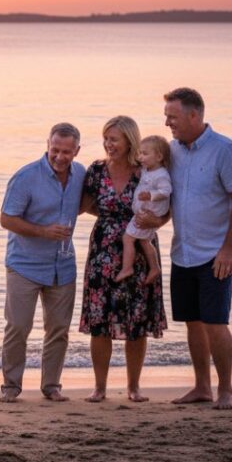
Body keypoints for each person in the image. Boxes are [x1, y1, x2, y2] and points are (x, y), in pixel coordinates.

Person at [163, 87, 232, 410]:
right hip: (182, 251)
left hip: (216, 252)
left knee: (215, 321)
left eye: (172, 117)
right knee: (193, 321)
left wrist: (229, 248)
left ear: (193, 115)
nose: (168, 123)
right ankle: (202, 386)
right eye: (166, 117)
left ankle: (225, 389)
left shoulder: (224, 150)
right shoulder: (172, 152)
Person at [79, 116, 167, 403]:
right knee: (99, 320)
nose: (108, 144)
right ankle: (100, 387)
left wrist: (154, 221)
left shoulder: (146, 171)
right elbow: (82, 205)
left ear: (130, 139)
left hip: (140, 247)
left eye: (114, 139)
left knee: (137, 320)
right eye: (106, 138)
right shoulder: (95, 170)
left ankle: (134, 387)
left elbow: (166, 206)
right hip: (103, 250)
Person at [0, 123, 85, 403]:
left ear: (77, 151)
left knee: (58, 329)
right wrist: (43, 231)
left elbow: (88, 203)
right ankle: (11, 387)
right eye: (55, 150)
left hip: (64, 265)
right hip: (24, 265)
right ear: (47, 145)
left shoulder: (81, 175)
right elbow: (7, 219)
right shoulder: (26, 177)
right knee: (18, 327)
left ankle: (51, 386)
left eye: (66, 152)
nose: (60, 157)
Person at [115, 135, 172, 284]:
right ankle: (154, 267)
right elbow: (144, 175)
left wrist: (151, 195)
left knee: (128, 238)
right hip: (143, 211)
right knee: (145, 241)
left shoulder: (161, 175)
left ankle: (127, 268)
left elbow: (166, 191)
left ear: (159, 156)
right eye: (139, 153)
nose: (140, 157)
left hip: (148, 214)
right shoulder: (148, 169)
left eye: (145, 154)